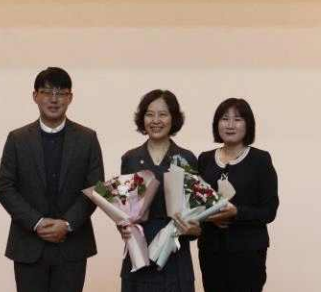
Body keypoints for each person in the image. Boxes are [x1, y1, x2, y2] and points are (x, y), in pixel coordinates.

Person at [0, 67, 105, 292]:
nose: (54, 99)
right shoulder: (17, 139)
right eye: (46, 92)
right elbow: (5, 187)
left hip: (72, 245)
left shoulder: (87, 138)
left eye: (61, 93)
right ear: (35, 96)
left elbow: (96, 188)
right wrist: (37, 222)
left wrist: (67, 223)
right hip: (28, 245)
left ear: (70, 97)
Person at [119, 89, 200, 292]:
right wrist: (123, 226)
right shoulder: (130, 159)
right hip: (139, 253)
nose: (156, 120)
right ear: (142, 118)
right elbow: (123, 210)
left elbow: (197, 219)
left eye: (163, 114)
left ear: (174, 118)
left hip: (175, 254)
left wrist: (192, 229)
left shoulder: (186, 159)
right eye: (149, 114)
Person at [197, 98, 279, 292]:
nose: (230, 125)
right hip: (211, 251)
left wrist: (236, 212)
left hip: (248, 252)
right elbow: (194, 204)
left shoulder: (260, 160)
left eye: (238, 119)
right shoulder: (205, 159)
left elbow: (269, 211)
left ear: (248, 124)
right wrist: (208, 217)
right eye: (225, 118)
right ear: (217, 124)